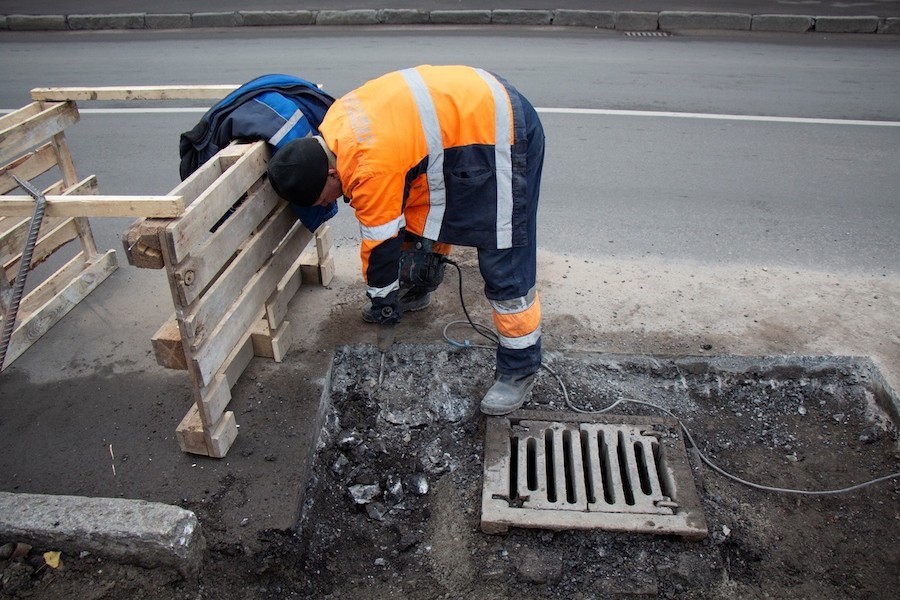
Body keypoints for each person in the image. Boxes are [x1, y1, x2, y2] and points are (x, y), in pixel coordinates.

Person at [267, 64, 545, 416]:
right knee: (420, 213)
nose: (326, 204)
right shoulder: (336, 127)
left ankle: (520, 366)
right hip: (464, 126)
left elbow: (380, 249)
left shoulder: (368, 167)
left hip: (503, 132)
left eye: (323, 197)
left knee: (503, 255)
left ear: (332, 172)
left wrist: (385, 308)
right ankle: (417, 289)